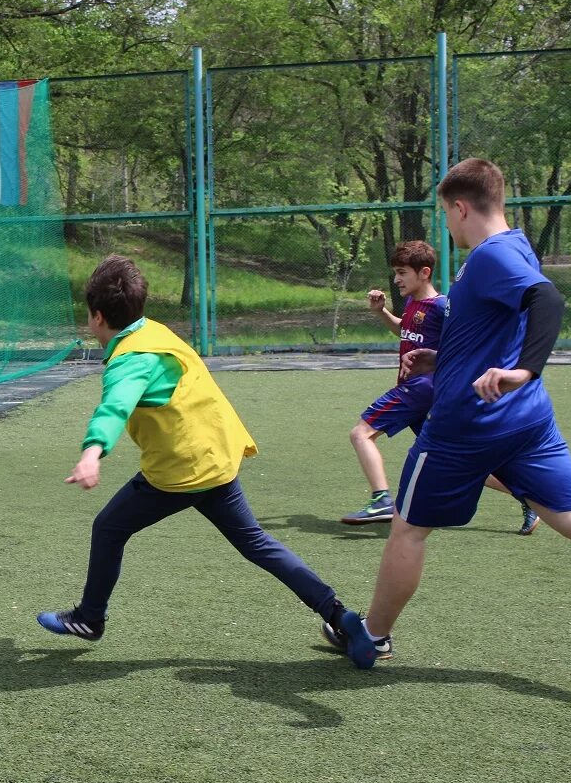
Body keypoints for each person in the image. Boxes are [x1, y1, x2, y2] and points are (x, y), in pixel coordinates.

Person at [327, 158, 571, 669]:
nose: (446, 227)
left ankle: (373, 637)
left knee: (408, 529)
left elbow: (547, 300)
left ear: (460, 207)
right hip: (526, 421)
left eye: (446, 216)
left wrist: (525, 370)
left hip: (465, 425)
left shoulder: (492, 255)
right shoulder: (514, 244)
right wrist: (444, 357)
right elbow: (496, 321)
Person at [35, 254, 374, 663]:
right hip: (216, 459)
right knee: (257, 543)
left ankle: (90, 618)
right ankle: (339, 615)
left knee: (108, 528)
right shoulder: (156, 333)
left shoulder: (129, 361)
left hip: (181, 472)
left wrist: (92, 454)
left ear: (98, 317)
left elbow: (114, 408)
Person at [341, 241, 538, 537]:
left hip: (422, 388)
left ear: (424, 273)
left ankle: (381, 499)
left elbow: (460, 346)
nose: (396, 280)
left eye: (401, 273)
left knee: (361, 433)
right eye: (395, 273)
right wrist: (381, 312)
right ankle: (527, 495)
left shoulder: (443, 307)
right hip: (423, 392)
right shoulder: (412, 304)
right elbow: (404, 331)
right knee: (460, 460)